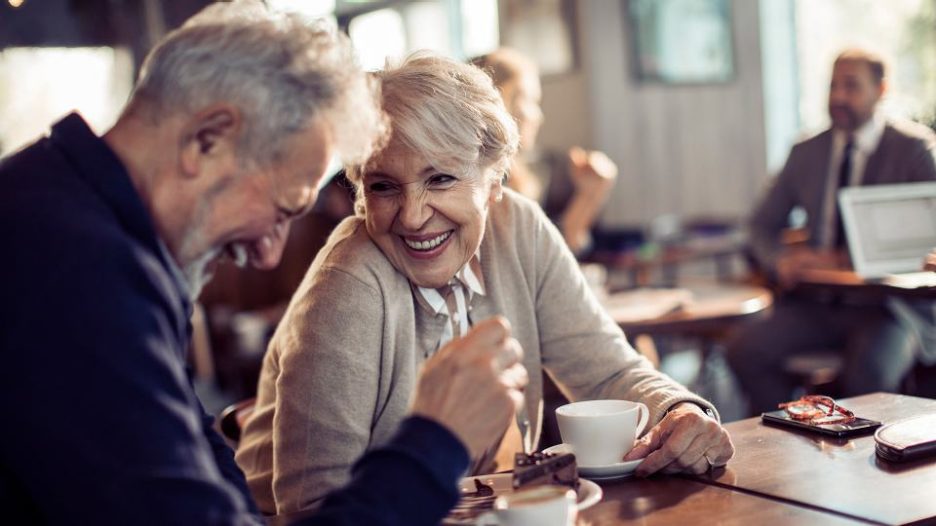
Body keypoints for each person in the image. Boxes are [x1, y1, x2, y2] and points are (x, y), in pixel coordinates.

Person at [0, 3, 527, 525]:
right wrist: (436, 441)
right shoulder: (75, 278)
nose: (269, 254)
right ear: (208, 141)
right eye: (281, 211)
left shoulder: (79, 222)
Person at [236, 52, 734, 515]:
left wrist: (680, 410)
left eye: (440, 179)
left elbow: (606, 371)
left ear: (495, 181)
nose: (412, 217)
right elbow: (312, 507)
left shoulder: (520, 228)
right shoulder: (347, 283)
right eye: (383, 186)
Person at [727, 48, 936, 414]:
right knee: (746, 349)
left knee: (867, 377)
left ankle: (868, 464)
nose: (838, 97)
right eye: (833, 86)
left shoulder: (915, 150)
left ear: (881, 90)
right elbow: (759, 226)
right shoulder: (807, 151)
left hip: (889, 307)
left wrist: (846, 258)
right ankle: (790, 437)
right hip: (819, 303)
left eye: (851, 86)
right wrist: (779, 260)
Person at [472, 48, 618, 256]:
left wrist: (589, 195)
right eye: (529, 101)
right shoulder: (483, 185)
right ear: (497, 103)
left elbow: (548, 263)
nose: (538, 116)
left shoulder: (520, 177)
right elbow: (531, 265)